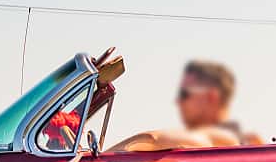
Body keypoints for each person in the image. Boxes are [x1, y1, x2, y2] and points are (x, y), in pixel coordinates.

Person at [113, 60, 264, 151]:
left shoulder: (221, 136)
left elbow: (151, 139)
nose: (178, 101)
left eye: (185, 94)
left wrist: (99, 158)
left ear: (211, 96)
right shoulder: (244, 140)